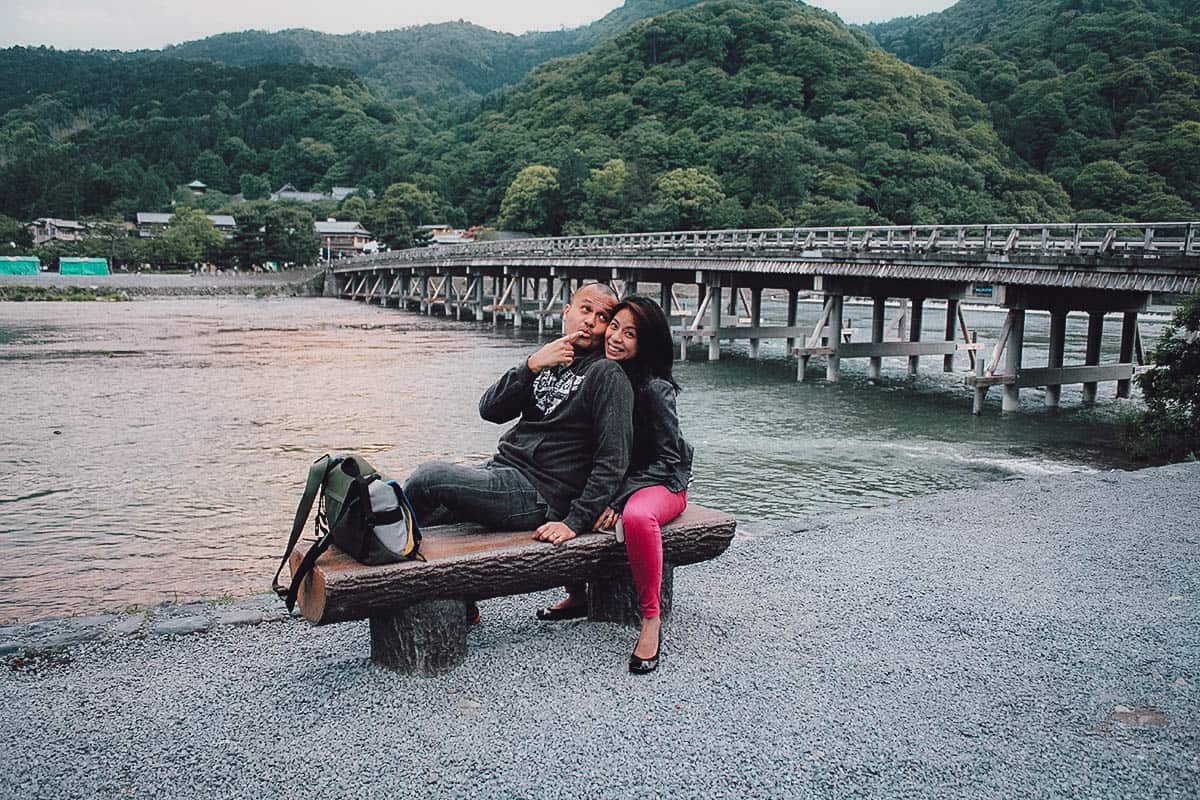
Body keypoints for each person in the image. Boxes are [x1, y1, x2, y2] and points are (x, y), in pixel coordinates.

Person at [403, 283, 634, 614]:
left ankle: (395, 574)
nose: (590, 322)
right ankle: (451, 599)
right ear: (567, 311)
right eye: (585, 310)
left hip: (541, 493)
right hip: (504, 471)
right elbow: (490, 410)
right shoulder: (550, 358)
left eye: (602, 317)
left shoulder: (606, 374)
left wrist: (575, 520)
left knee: (429, 479)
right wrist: (531, 366)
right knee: (424, 508)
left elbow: (613, 460)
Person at [536, 296, 693, 674]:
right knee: (562, 495)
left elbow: (670, 459)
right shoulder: (601, 372)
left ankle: (650, 620)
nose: (617, 338)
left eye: (631, 334)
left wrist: (620, 499)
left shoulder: (654, 388)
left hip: (663, 484)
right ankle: (577, 595)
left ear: (647, 342)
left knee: (638, 518)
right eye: (616, 327)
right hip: (623, 482)